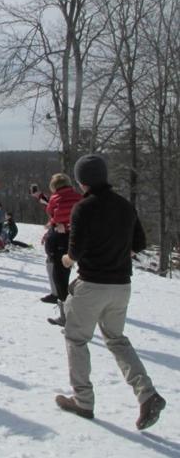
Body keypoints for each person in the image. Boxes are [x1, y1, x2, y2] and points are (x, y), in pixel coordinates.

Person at [56, 154, 166, 430]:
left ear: (83, 181)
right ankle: (147, 393)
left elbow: (75, 251)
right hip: (122, 286)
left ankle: (83, 401)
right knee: (117, 340)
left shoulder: (83, 208)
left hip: (92, 285)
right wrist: (117, 251)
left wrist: (67, 260)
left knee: (76, 338)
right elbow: (139, 242)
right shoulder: (125, 206)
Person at [43, 174, 82, 326]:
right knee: (74, 272)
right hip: (75, 237)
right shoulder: (79, 197)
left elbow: (50, 212)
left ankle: (65, 313)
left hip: (59, 237)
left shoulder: (55, 197)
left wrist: (55, 223)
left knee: (59, 276)